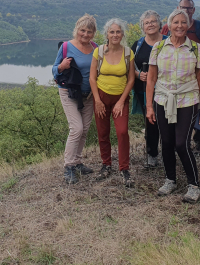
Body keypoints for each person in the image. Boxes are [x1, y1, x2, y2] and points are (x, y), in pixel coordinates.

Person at [146, 8, 200, 203]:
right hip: (162, 99)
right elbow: (151, 79)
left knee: (181, 143)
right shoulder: (158, 48)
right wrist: (149, 106)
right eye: (176, 22)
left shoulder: (195, 48)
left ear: (189, 25)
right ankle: (170, 179)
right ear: (169, 25)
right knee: (166, 142)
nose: (180, 26)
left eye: (184, 22)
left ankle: (193, 184)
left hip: (187, 100)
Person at [161, 0, 200, 155]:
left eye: (189, 8)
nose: (186, 11)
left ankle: (199, 140)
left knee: (198, 109)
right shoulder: (168, 27)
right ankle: (177, 142)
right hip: (174, 82)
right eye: (182, 7)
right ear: (177, 8)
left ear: (193, 10)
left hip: (195, 79)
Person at [89, 18, 135, 187]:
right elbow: (92, 78)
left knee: (122, 132)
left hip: (120, 98)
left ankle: (124, 168)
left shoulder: (128, 53)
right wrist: (97, 100)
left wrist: (121, 102)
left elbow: (131, 80)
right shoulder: (99, 52)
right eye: (112, 32)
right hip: (101, 96)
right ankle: (106, 165)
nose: (115, 35)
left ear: (122, 34)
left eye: (118, 32)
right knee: (103, 132)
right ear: (107, 34)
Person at [52, 14, 98, 184]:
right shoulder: (66, 47)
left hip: (88, 95)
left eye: (89, 31)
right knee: (76, 128)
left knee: (84, 129)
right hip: (69, 92)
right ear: (77, 29)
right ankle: (69, 167)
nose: (85, 34)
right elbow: (54, 69)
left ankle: (77, 162)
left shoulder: (95, 48)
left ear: (93, 33)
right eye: (82, 30)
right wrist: (61, 66)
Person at [131, 10, 167, 168]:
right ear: (143, 27)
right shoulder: (138, 45)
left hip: (166, 89)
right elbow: (129, 67)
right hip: (144, 90)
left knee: (167, 122)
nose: (151, 24)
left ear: (160, 24)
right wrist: (139, 75)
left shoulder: (169, 41)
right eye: (147, 22)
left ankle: (168, 152)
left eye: (153, 21)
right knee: (151, 122)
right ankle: (152, 154)